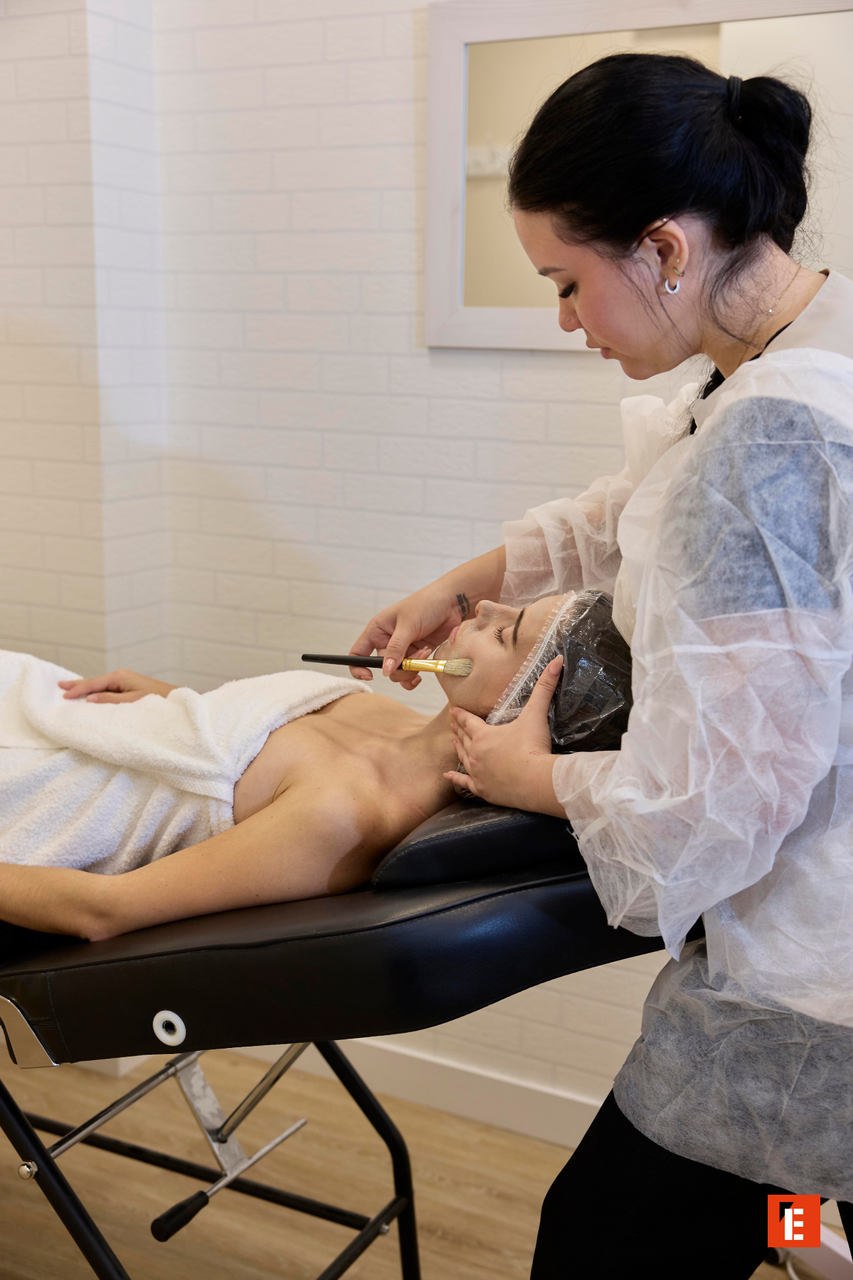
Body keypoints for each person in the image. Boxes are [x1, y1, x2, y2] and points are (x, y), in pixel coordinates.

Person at [349, 52, 853, 1277]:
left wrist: (531, 776)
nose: (565, 320)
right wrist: (468, 585)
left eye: (567, 283)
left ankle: (801, 1228)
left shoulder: (769, 438)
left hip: (812, 982)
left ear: (666, 249)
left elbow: (714, 807)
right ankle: (807, 1235)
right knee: (798, 1189)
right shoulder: (797, 354)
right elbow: (638, 505)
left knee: (601, 1244)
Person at [0, 591, 582, 943]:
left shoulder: (349, 816)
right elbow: (238, 753)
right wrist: (173, 703)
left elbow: (101, 912)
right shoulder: (384, 713)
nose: (484, 606)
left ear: (525, 712)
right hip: (57, 719)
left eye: (506, 632)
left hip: (35, 793)